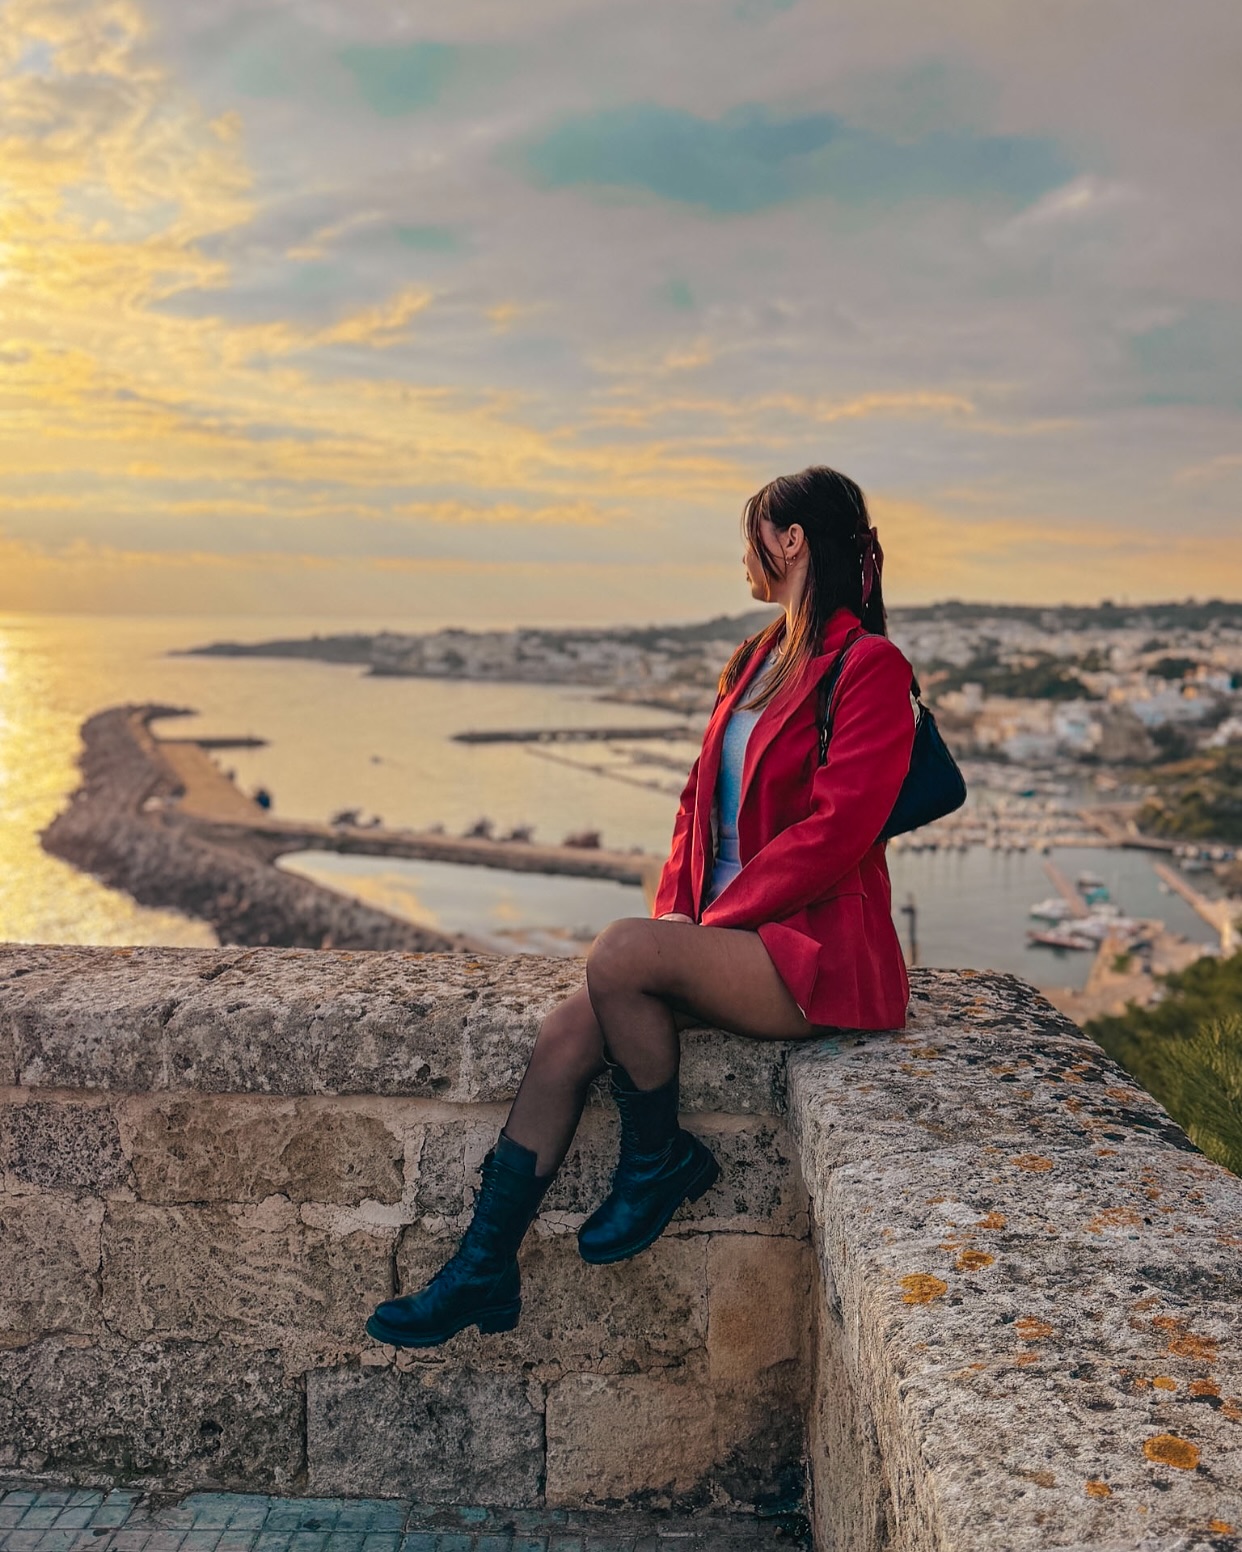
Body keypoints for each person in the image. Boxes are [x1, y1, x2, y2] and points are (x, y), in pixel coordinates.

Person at [365, 464, 918, 1350]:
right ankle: (481, 1269)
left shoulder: (870, 667)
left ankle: (657, 1163)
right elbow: (696, 809)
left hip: (813, 959)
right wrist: (677, 924)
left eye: (752, 536)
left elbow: (839, 830)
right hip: (726, 943)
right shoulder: (755, 659)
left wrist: (701, 932)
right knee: (561, 1038)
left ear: (791, 541)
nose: (744, 556)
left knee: (621, 954)